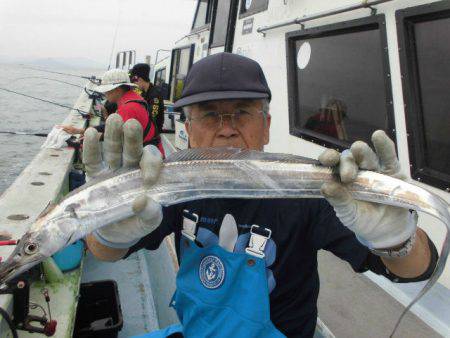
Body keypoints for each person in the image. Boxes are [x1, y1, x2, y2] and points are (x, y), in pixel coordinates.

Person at [83, 53, 437, 337]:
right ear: (188, 130)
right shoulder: (173, 187)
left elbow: (414, 269)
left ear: (266, 126)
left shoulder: (310, 190)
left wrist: (396, 239)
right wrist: (107, 227)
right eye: (209, 115)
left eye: (242, 113)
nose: (226, 129)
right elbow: (105, 252)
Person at [94, 68, 164, 156]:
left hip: (150, 159)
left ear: (117, 90)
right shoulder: (133, 98)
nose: (105, 94)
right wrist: (87, 130)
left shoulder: (127, 108)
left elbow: (114, 134)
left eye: (106, 90)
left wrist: (93, 136)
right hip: (154, 152)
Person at [130, 63, 165, 134]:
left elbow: (152, 117)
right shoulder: (143, 92)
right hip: (145, 131)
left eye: (134, 82)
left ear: (140, 79)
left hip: (152, 135)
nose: (134, 85)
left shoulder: (155, 95)